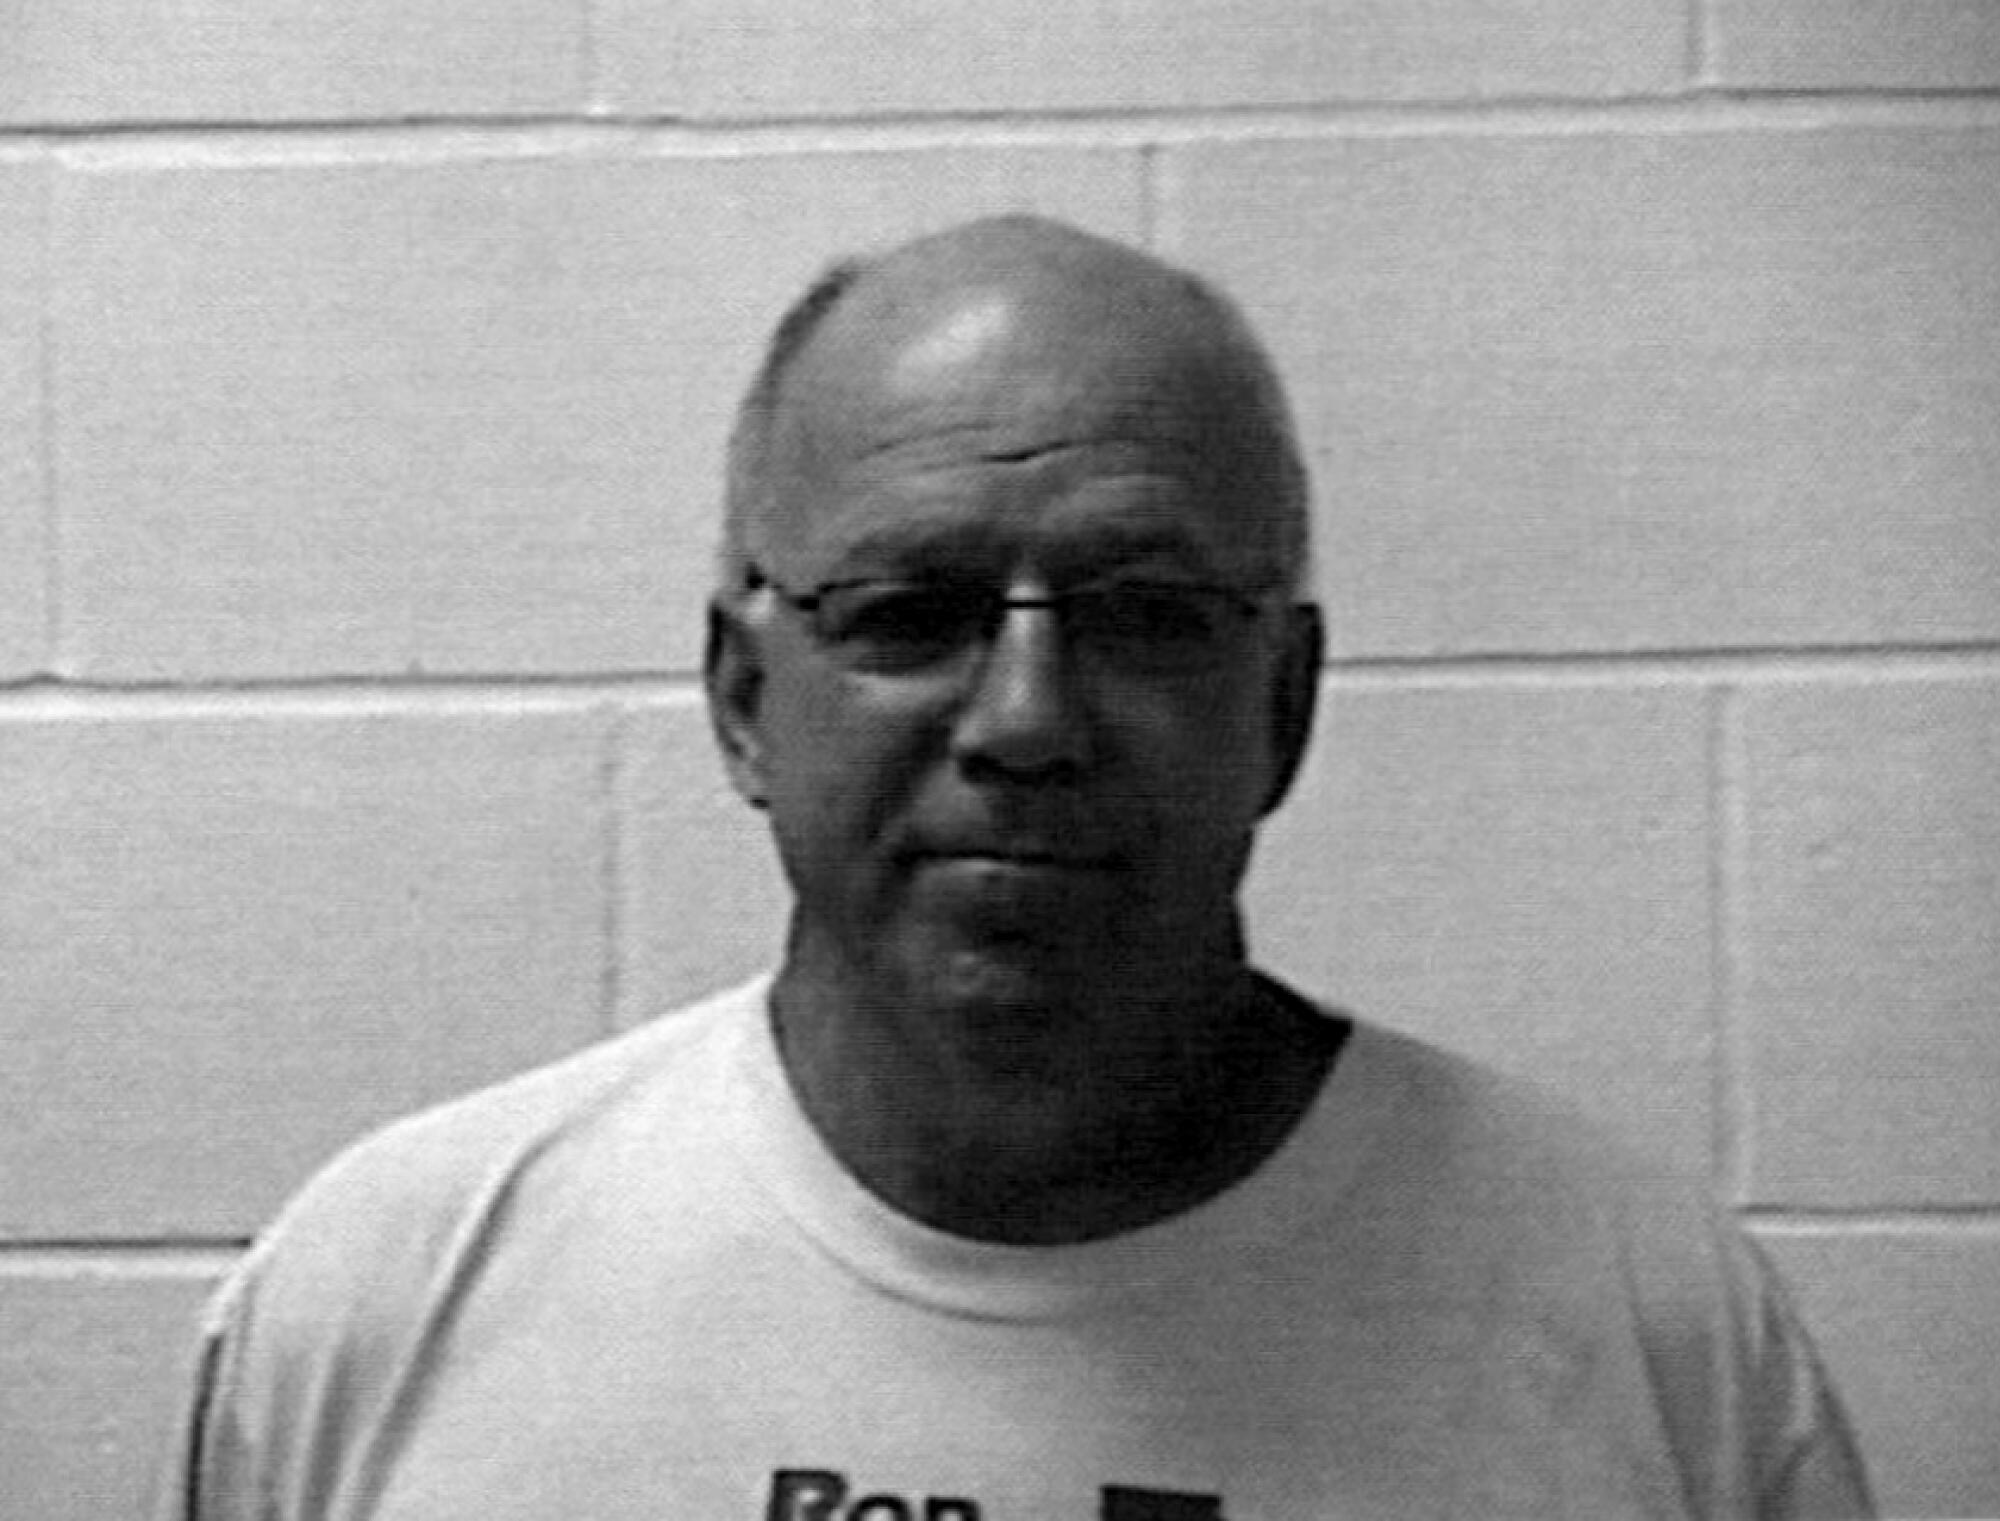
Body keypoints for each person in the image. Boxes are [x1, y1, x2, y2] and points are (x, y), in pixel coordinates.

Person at [159, 215, 1873, 1520]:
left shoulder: (1646, 1328)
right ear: (747, 699)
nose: (1030, 719)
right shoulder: (383, 1300)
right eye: (911, 615)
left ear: (1280, 702)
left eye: (1145, 614)